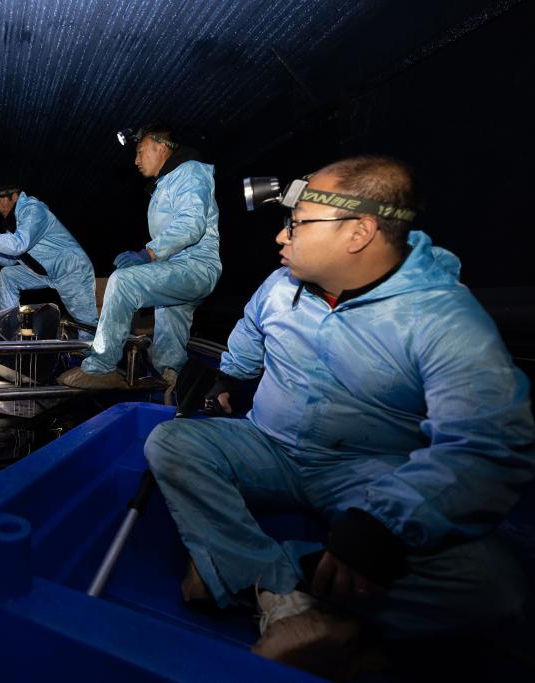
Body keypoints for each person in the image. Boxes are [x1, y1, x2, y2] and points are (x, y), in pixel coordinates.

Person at [143, 155, 534, 679]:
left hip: (365, 471)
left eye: (299, 223)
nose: (281, 237)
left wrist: (381, 527)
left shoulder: (442, 318)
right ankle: (303, 600)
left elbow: (488, 444)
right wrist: (225, 381)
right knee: (172, 441)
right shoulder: (279, 286)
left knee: (493, 588)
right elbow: (250, 334)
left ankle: (266, 577)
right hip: (269, 446)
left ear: (359, 232)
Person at [57, 123, 220, 396]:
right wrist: (151, 258)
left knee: (123, 282)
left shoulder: (190, 171)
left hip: (195, 267)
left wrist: (148, 254)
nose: (135, 160)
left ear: (161, 146)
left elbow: (191, 224)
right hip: (176, 269)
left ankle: (101, 367)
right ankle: (174, 385)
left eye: (140, 151)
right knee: (168, 347)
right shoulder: (166, 182)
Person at [0, 181, 97, 338]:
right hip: (46, 273)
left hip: (71, 268)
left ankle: (94, 353)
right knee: (8, 275)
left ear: (14, 196)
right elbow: (10, 260)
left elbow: (18, 245)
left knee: (86, 325)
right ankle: (10, 331)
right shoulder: (14, 222)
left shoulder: (33, 210)